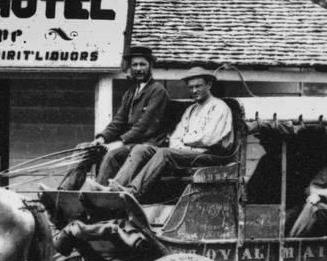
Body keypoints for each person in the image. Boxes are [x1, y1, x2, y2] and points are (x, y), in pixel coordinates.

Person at [100, 66, 233, 199]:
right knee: (141, 149)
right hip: (186, 153)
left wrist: (184, 141)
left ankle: (132, 191)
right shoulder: (191, 109)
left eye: (198, 86)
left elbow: (207, 139)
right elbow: (175, 137)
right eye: (191, 87)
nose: (194, 90)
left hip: (207, 157)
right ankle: (115, 188)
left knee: (164, 153)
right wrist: (181, 145)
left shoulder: (219, 107)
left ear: (209, 85)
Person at [80, 45, 169, 188]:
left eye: (142, 64)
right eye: (135, 65)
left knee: (111, 154)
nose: (138, 68)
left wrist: (120, 142)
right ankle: (63, 191)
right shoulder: (130, 93)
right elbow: (118, 121)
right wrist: (101, 138)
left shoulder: (158, 91)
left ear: (150, 66)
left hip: (147, 144)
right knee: (85, 149)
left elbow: (144, 125)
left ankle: (97, 195)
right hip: (129, 143)